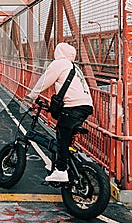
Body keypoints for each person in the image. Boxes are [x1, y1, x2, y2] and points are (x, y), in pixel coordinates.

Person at [24, 42, 93, 182]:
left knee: (61, 135)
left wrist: (31, 96)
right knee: (66, 137)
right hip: (85, 106)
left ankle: (61, 170)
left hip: (73, 106)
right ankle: (64, 164)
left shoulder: (60, 63)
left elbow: (44, 81)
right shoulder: (74, 67)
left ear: (59, 53)